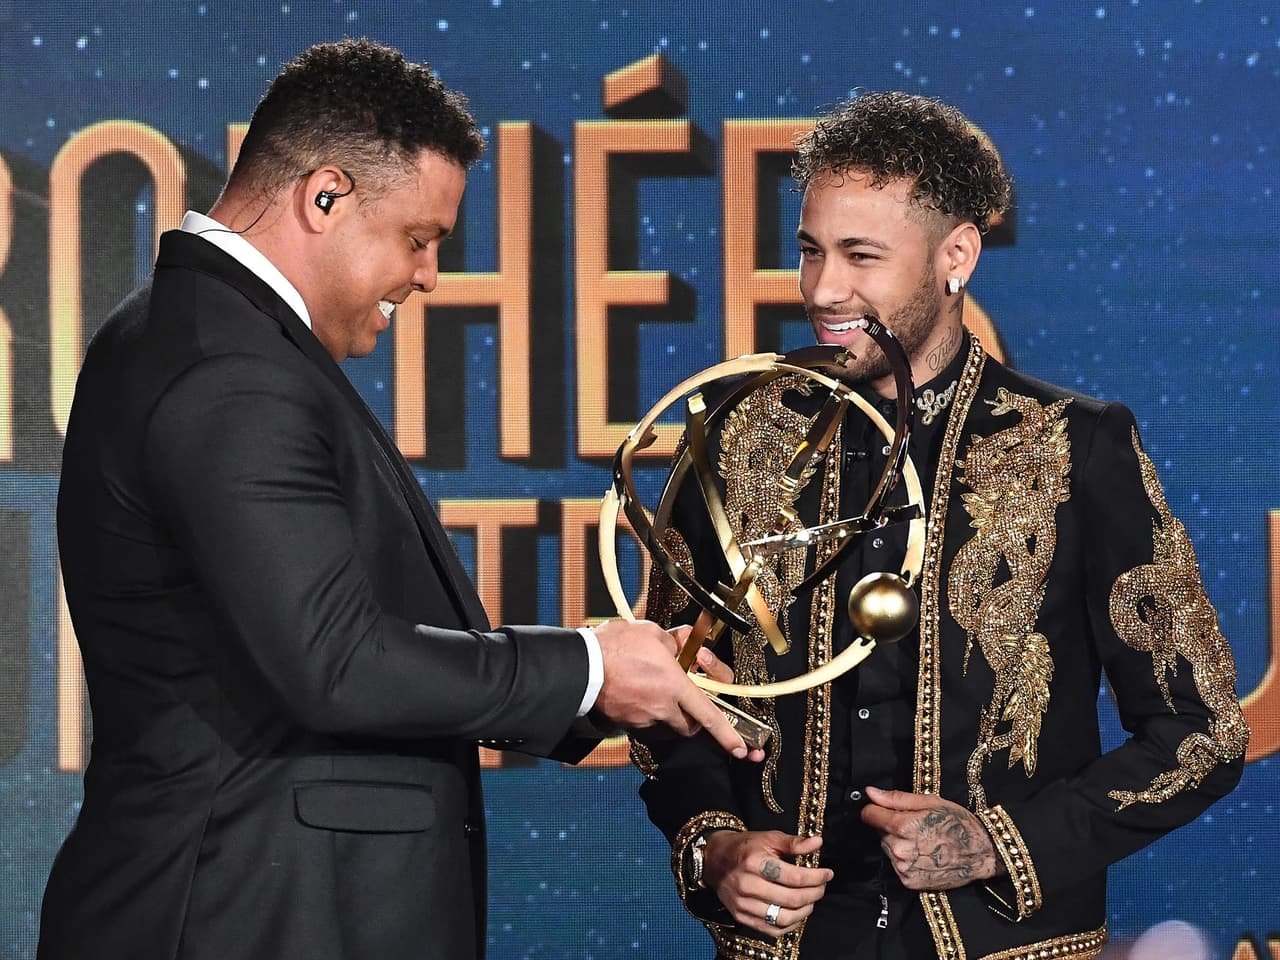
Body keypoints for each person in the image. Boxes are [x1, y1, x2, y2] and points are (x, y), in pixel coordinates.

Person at [41, 39, 757, 960]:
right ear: (325, 195)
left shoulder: (215, 341)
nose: (427, 275)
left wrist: (607, 687)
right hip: (242, 917)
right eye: (419, 239)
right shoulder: (230, 371)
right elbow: (336, 664)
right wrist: (588, 668)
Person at [633, 91, 1248, 960]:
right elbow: (666, 697)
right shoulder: (737, 436)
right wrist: (715, 845)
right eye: (810, 252)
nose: (823, 289)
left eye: (861, 256)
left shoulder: (1074, 447)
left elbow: (1204, 730)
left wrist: (1004, 844)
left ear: (956, 254)